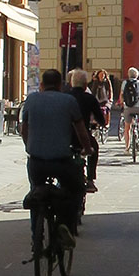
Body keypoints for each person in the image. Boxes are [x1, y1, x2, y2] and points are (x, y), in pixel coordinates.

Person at [20, 69, 93, 249]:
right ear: (61, 85)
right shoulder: (68, 101)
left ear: (42, 85)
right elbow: (81, 129)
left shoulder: (31, 99)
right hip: (61, 160)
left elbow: (24, 128)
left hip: (36, 161)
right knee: (76, 189)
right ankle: (65, 225)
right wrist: (88, 148)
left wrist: (29, 146)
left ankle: (35, 237)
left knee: (36, 191)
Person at [69, 68, 106, 192]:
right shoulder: (89, 98)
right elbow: (101, 120)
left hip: (66, 136)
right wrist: (100, 123)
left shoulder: (65, 97)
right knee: (94, 148)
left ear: (71, 83)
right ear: (85, 85)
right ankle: (90, 179)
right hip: (82, 136)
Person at [118, 66, 139, 149]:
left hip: (128, 107)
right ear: (137, 75)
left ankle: (127, 148)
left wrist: (122, 103)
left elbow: (121, 95)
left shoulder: (124, 83)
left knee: (127, 128)